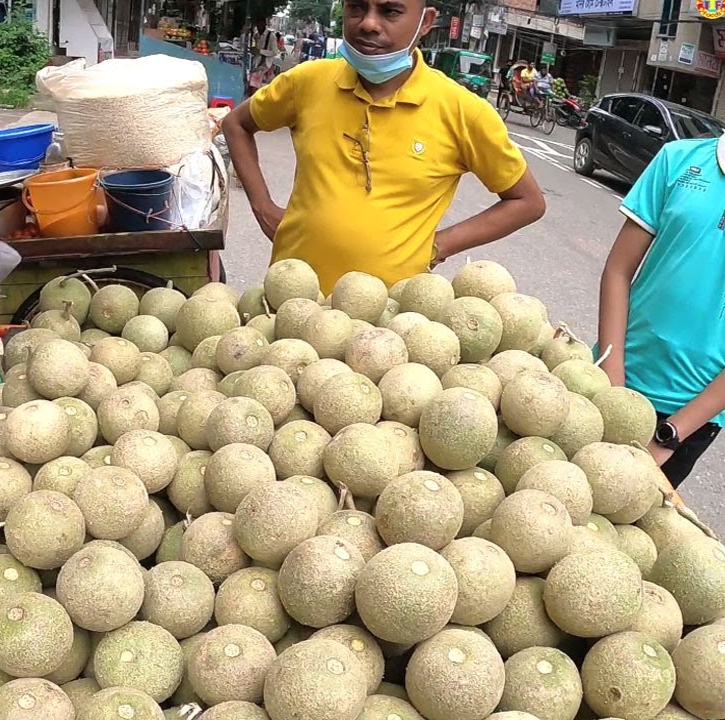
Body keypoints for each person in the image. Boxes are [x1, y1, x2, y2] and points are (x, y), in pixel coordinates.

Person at [221, 0, 546, 293]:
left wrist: (438, 246)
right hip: (290, 298)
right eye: (357, 8)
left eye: (390, 11)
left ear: (426, 21)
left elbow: (526, 201)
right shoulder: (307, 82)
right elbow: (236, 124)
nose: (368, 23)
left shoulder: (462, 111)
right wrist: (262, 208)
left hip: (389, 327)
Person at [597, 136, 725, 489]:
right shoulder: (678, 159)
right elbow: (618, 272)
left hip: (690, 417)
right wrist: (612, 378)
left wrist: (671, 435)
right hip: (613, 377)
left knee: (627, 528)